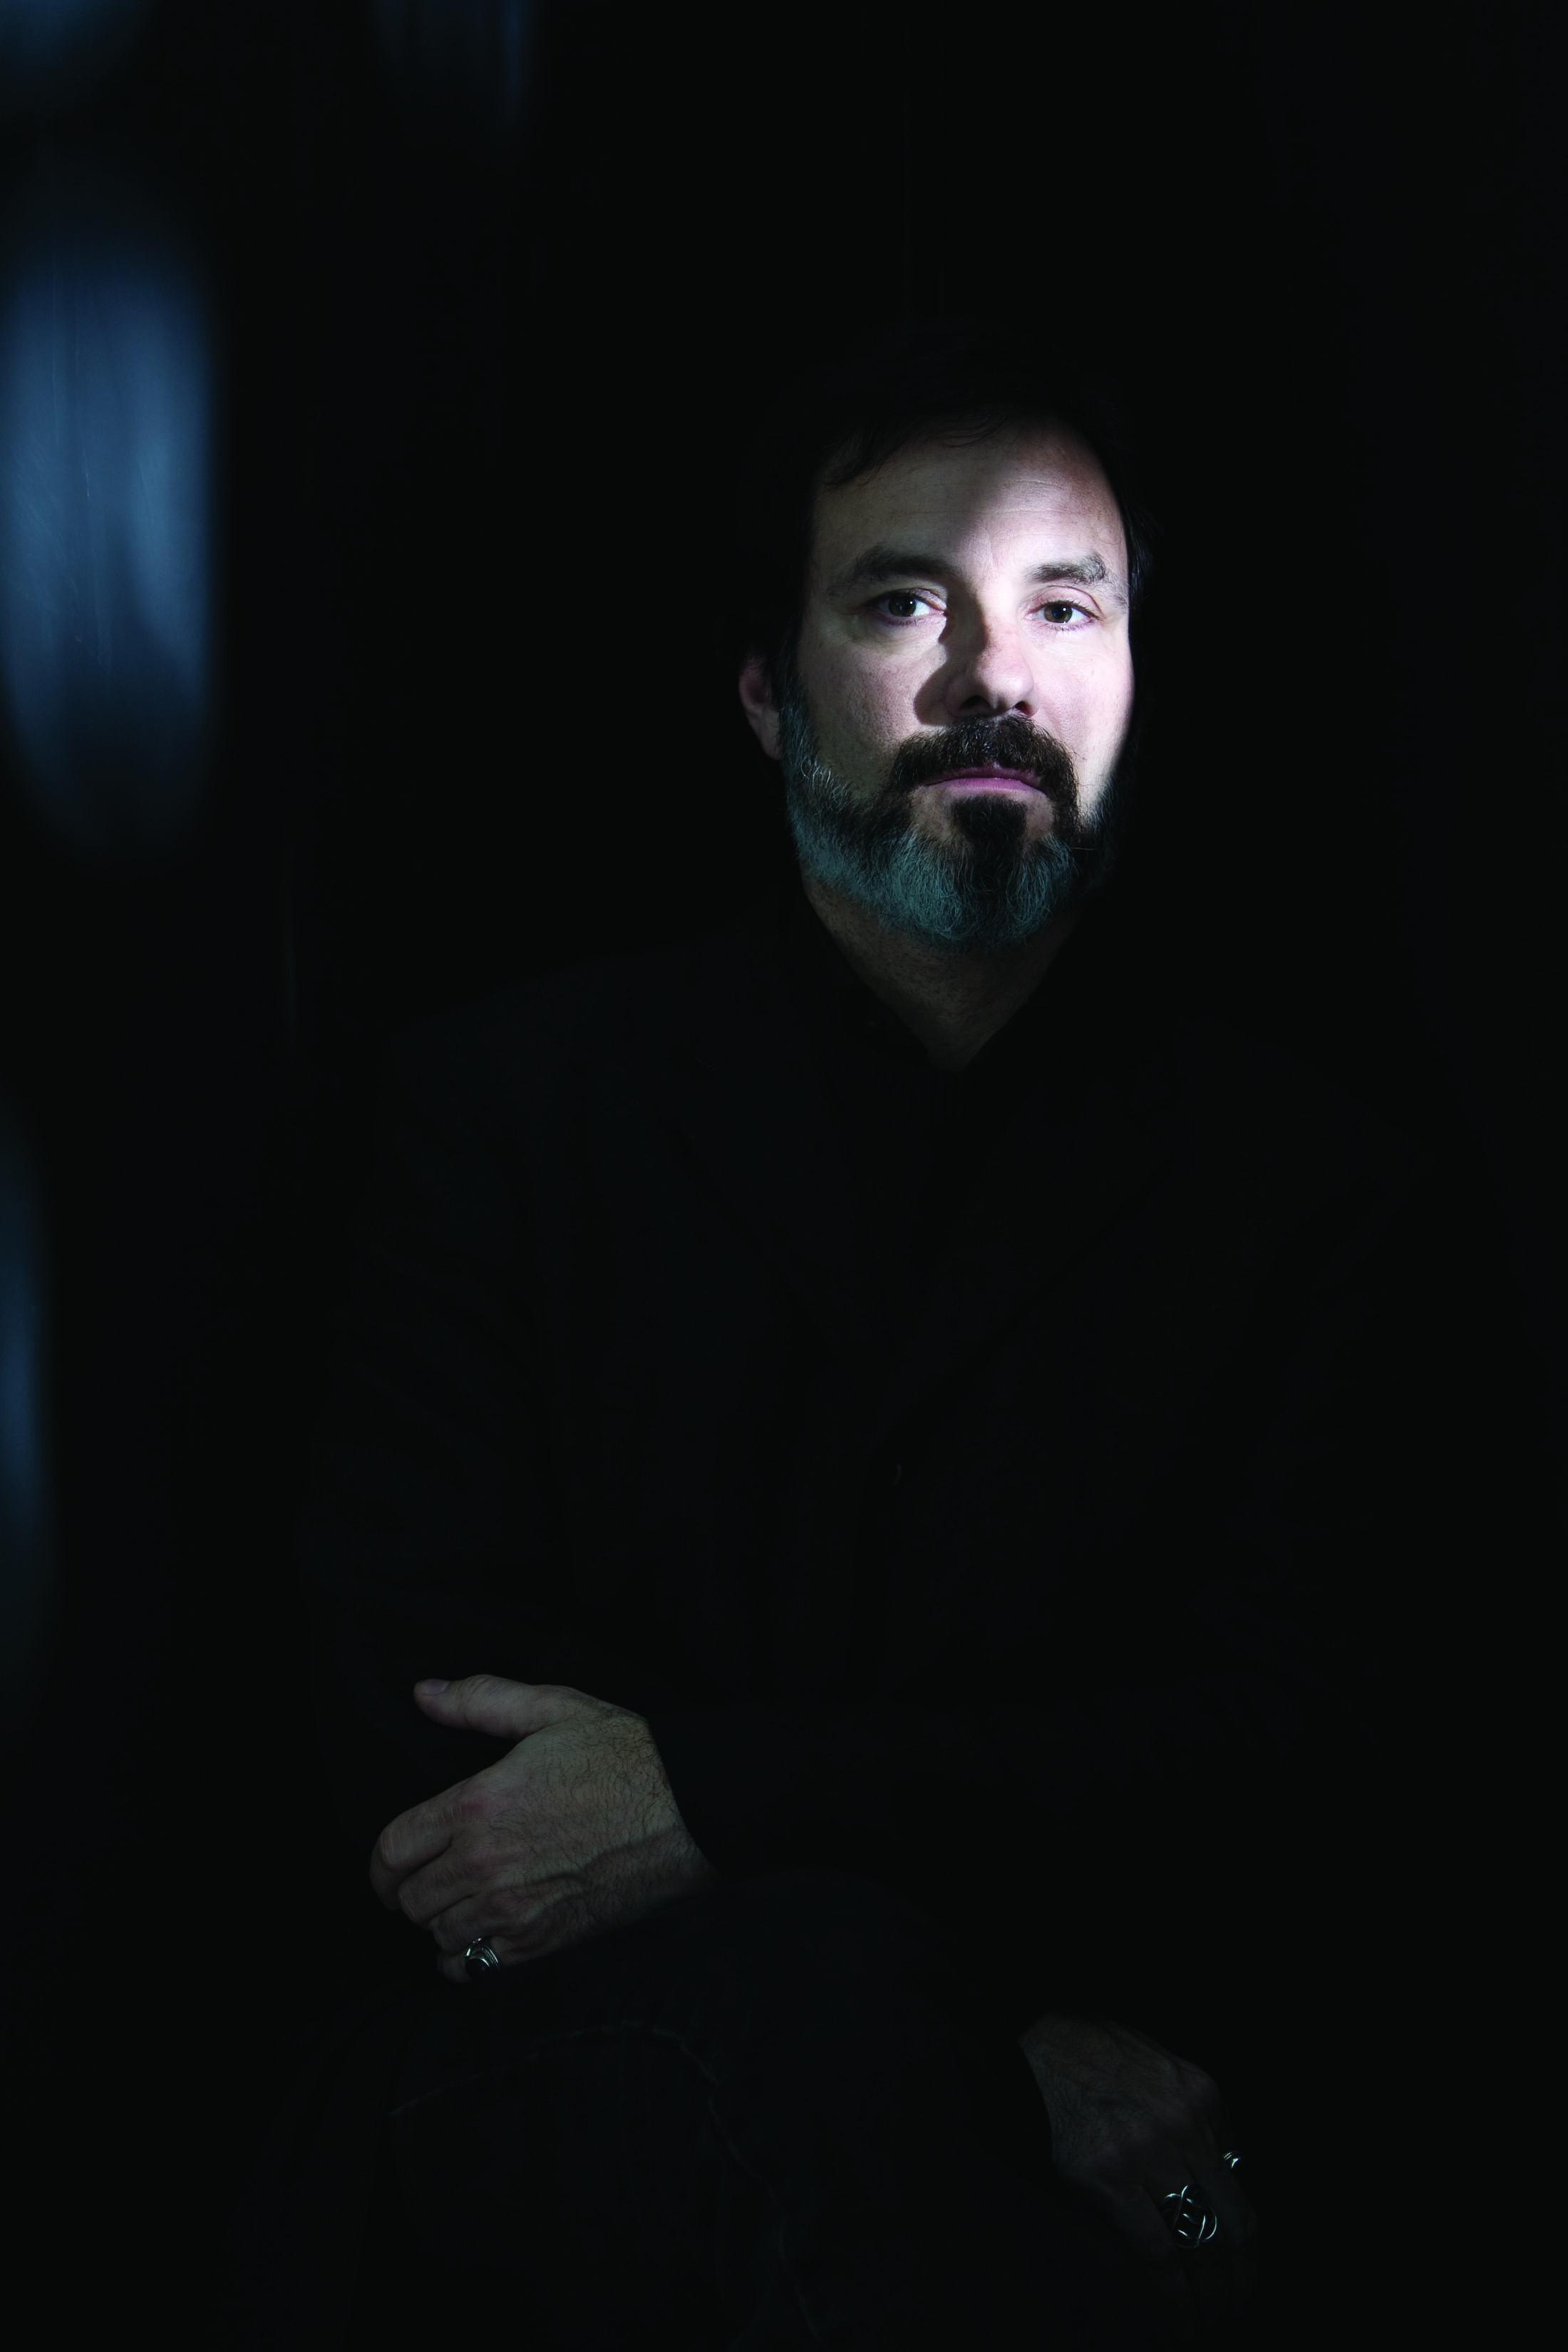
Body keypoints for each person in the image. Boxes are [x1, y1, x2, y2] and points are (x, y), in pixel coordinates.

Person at [287, 320, 1559, 2347]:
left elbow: (1308, 1760)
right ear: (766, 694)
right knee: (825, 2031)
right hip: (563, 2075)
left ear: (1135, 678)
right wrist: (993, 2034)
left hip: (1150, 2074)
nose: (997, 679)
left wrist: (716, 1791)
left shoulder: (1317, 1182)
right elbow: (434, 1734)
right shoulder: (511, 1113)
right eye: (905, 605)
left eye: (1068, 606)